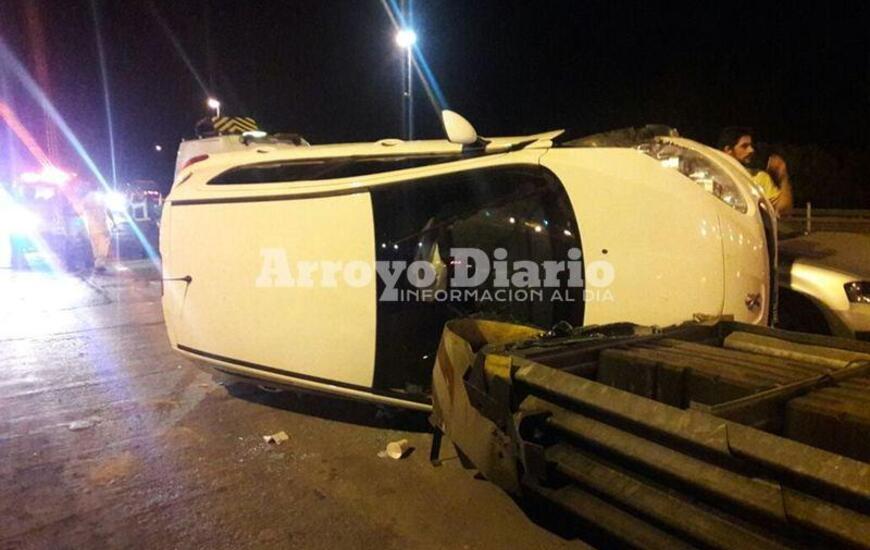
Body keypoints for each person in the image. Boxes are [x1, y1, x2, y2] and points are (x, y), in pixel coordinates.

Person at [718, 127, 793, 214]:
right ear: (728, 150)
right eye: (744, 146)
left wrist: (783, 178)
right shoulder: (712, 175)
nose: (751, 150)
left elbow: (783, 209)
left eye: (751, 146)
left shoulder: (760, 177)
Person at [72, 180, 113, 273]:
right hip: (102, 226)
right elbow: (108, 210)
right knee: (103, 246)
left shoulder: (85, 198)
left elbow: (79, 211)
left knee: (95, 245)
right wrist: (113, 222)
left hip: (91, 227)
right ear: (98, 188)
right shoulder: (101, 197)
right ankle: (99, 264)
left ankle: (97, 263)